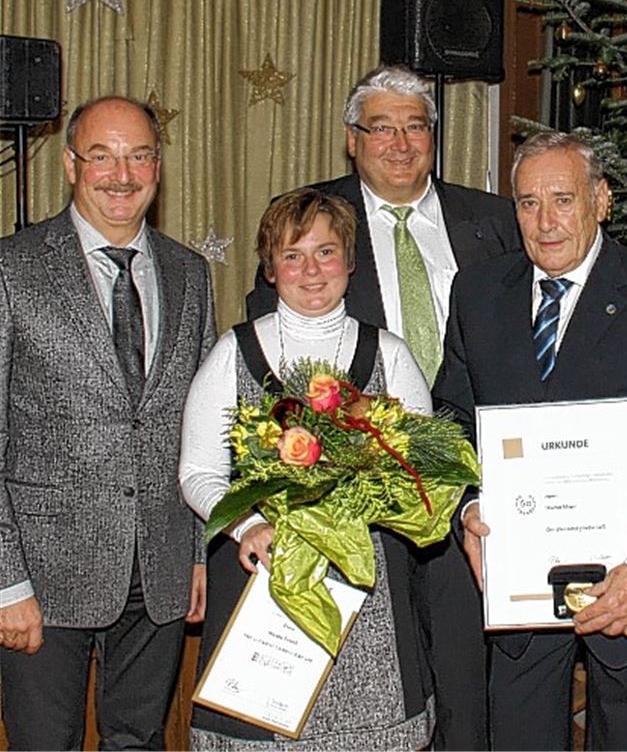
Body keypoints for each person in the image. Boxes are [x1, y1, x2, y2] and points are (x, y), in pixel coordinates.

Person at [246, 65, 518, 749]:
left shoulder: (493, 221)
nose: (400, 143)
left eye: (415, 126)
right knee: (374, 693)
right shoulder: (310, 220)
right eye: (382, 128)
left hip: (472, 487)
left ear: (434, 136)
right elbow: (270, 351)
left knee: (464, 677)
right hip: (354, 503)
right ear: (351, 139)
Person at [433, 131, 627, 750]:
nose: (545, 222)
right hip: (519, 579)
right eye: (528, 203)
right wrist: (470, 506)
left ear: (602, 200)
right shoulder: (478, 293)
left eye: (563, 199)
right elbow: (452, 418)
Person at [180, 188, 435, 749]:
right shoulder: (232, 353)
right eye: (292, 255)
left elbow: (425, 470)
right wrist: (249, 526)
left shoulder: (390, 355)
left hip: (369, 597)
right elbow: (198, 472)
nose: (311, 270)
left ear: (350, 260)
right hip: (262, 584)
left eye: (325, 252)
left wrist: (362, 502)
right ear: (270, 270)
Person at [0, 95, 216, 749]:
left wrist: (201, 554)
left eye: (139, 155)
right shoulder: (12, 268)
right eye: (102, 156)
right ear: (70, 165)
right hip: (42, 575)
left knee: (140, 740)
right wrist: (5, 581)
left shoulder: (190, 273)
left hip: (159, 568)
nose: (121, 175)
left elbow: (206, 429)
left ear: (159, 164)